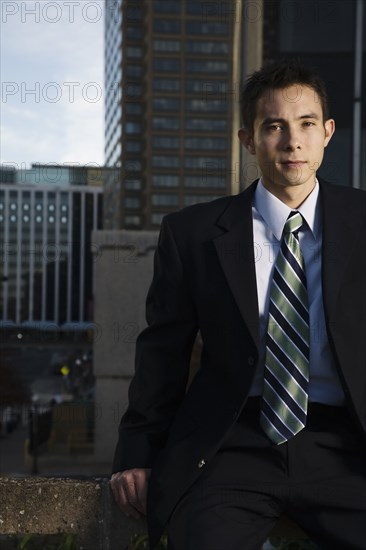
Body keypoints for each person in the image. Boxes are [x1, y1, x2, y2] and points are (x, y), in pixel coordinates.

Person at [110, 58, 366, 550]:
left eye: (307, 124)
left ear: (328, 132)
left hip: (346, 444)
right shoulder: (193, 234)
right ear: (248, 139)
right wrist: (136, 451)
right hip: (234, 443)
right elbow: (163, 349)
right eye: (274, 126)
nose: (293, 141)